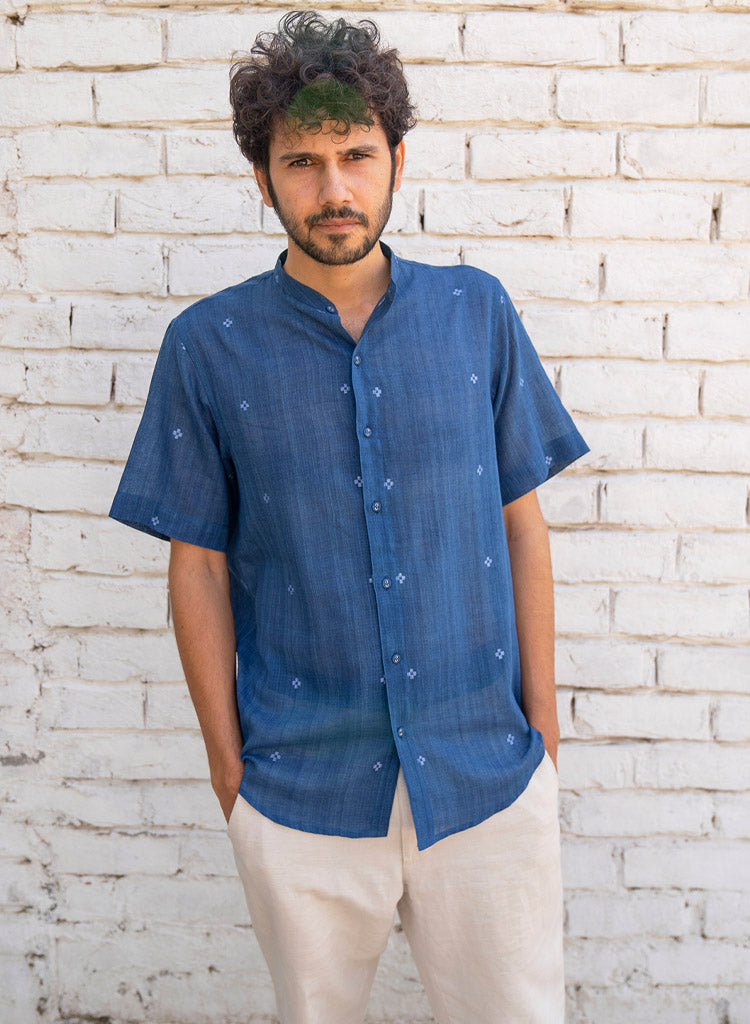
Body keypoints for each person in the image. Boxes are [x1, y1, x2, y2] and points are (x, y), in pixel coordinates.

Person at [109, 10, 589, 1023]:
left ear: (397, 161)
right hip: (300, 789)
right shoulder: (207, 346)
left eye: (357, 155)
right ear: (263, 177)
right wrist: (230, 774)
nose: (334, 189)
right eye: (302, 161)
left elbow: (523, 523)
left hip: (486, 774)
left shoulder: (476, 313)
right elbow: (197, 565)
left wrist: (543, 734)